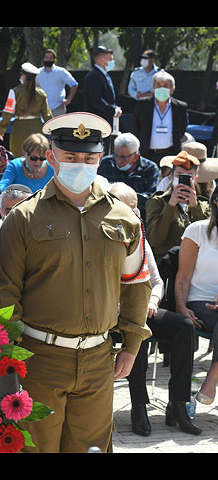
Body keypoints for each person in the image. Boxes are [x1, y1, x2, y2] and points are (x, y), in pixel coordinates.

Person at [0, 112, 152, 453]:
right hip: (39, 359)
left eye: (90, 158)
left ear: (99, 158)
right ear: (51, 156)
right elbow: (4, 292)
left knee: (90, 448)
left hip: (99, 360)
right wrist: (11, 359)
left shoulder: (124, 218)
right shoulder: (23, 217)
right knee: (36, 448)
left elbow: (137, 283)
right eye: (71, 157)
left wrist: (132, 344)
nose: (81, 165)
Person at [108, 182, 200, 437]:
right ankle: (139, 406)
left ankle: (178, 404)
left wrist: (153, 301)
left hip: (141, 307)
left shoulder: (139, 236)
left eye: (132, 209)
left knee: (183, 326)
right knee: (136, 332)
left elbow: (157, 282)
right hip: (107, 315)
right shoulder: (100, 237)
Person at [176, 185, 218, 408]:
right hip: (200, 301)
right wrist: (182, 307)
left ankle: (213, 374)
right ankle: (211, 380)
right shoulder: (197, 230)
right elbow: (183, 275)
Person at [145, 151, 210, 262]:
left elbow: (209, 239)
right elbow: (154, 241)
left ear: (196, 179)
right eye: (179, 176)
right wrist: (170, 205)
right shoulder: (158, 202)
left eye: (189, 176)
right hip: (167, 265)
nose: (183, 180)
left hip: (197, 264)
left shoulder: (204, 205)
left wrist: (195, 207)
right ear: (171, 176)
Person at [130, 70, 188, 166]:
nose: (162, 88)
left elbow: (182, 129)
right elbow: (135, 128)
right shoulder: (142, 105)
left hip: (171, 154)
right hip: (146, 154)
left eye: (166, 85)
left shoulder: (180, 107)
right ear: (153, 88)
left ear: (172, 89)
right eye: (158, 85)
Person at [0, 62, 52, 157]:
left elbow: (8, 113)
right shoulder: (41, 93)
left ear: (23, 76)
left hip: (19, 130)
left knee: (18, 158)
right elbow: (47, 115)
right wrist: (52, 132)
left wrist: (2, 129)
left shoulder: (14, 92)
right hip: (37, 129)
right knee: (37, 157)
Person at [97, 132, 160, 205]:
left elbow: (152, 196)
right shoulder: (105, 163)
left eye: (123, 157)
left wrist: (126, 197)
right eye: (116, 155)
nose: (118, 160)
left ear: (135, 157)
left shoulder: (150, 169)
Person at [82, 46, 122, 154]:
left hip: (105, 122)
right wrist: (113, 110)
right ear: (101, 60)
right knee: (98, 153)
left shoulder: (105, 75)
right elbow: (97, 101)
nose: (112, 62)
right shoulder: (94, 76)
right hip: (96, 123)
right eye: (109, 59)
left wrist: (114, 108)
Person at [36, 49, 79, 118]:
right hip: (42, 108)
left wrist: (69, 99)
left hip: (58, 108)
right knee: (42, 128)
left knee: (58, 128)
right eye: (46, 58)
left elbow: (74, 84)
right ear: (43, 59)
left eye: (50, 58)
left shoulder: (61, 72)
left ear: (54, 59)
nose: (48, 60)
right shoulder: (37, 72)